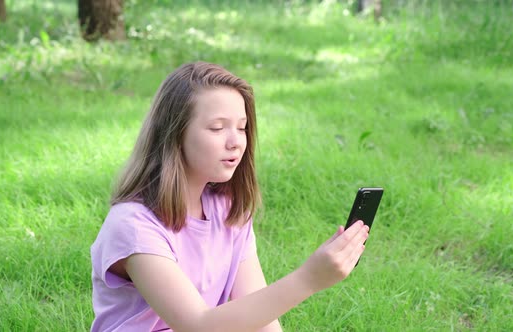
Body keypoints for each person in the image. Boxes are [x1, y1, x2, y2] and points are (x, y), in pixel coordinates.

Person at [90, 62, 370, 332]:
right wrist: (309, 278)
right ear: (175, 135)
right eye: (217, 127)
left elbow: (259, 317)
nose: (235, 141)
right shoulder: (133, 225)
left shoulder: (227, 211)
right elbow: (197, 325)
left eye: (242, 126)